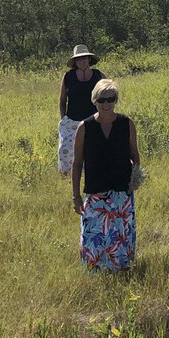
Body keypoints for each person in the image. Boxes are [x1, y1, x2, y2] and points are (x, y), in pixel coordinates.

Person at [72, 79, 140, 272]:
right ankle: (95, 274)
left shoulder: (127, 124)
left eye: (111, 99)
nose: (107, 104)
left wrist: (134, 179)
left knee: (120, 236)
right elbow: (77, 164)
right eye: (102, 100)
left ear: (116, 100)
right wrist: (76, 196)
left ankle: (122, 271)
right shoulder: (84, 127)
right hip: (95, 192)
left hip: (121, 191)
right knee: (93, 237)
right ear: (95, 101)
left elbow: (135, 155)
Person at [57, 45, 106, 177]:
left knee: (94, 149)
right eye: (79, 59)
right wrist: (64, 119)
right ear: (75, 62)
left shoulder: (98, 75)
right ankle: (67, 176)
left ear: (89, 59)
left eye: (84, 58)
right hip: (72, 120)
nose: (82, 61)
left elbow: (108, 94)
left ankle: (93, 174)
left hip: (94, 119)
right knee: (66, 151)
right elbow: (62, 100)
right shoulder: (68, 77)